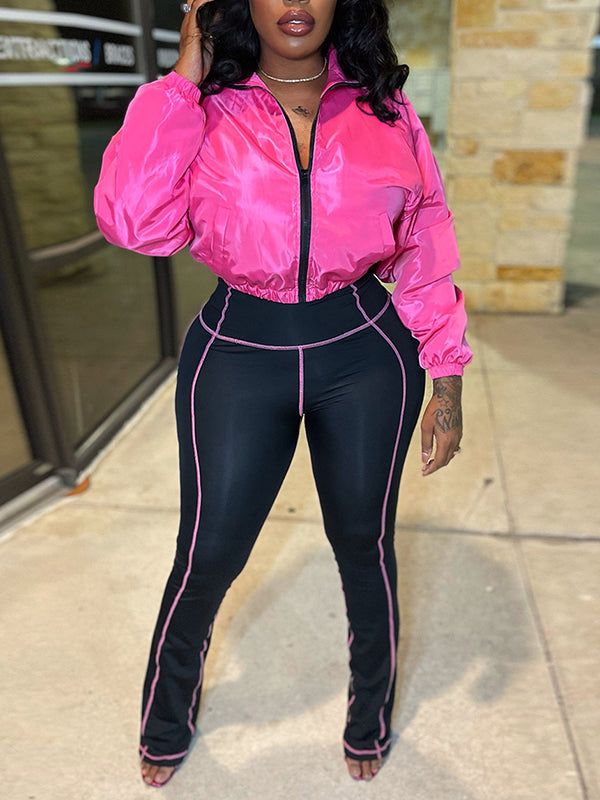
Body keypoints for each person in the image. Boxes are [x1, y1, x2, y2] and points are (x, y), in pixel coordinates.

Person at [94, 0, 472, 787]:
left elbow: (424, 235)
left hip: (366, 351)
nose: (296, 3)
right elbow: (134, 222)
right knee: (207, 553)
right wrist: (183, 78)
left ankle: (369, 713)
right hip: (239, 351)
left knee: (364, 545)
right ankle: (166, 717)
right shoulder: (204, 106)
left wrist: (446, 372)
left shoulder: (383, 106)